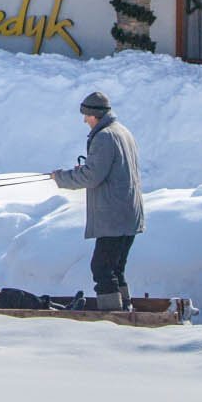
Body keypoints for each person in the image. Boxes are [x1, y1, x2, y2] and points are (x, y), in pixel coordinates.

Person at [50, 91, 144, 311]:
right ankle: (125, 307)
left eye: (86, 115)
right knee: (115, 268)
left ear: (95, 115)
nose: (84, 120)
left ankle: (112, 314)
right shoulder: (123, 132)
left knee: (101, 268)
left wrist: (61, 177)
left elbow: (92, 176)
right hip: (128, 213)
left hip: (113, 214)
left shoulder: (104, 137)